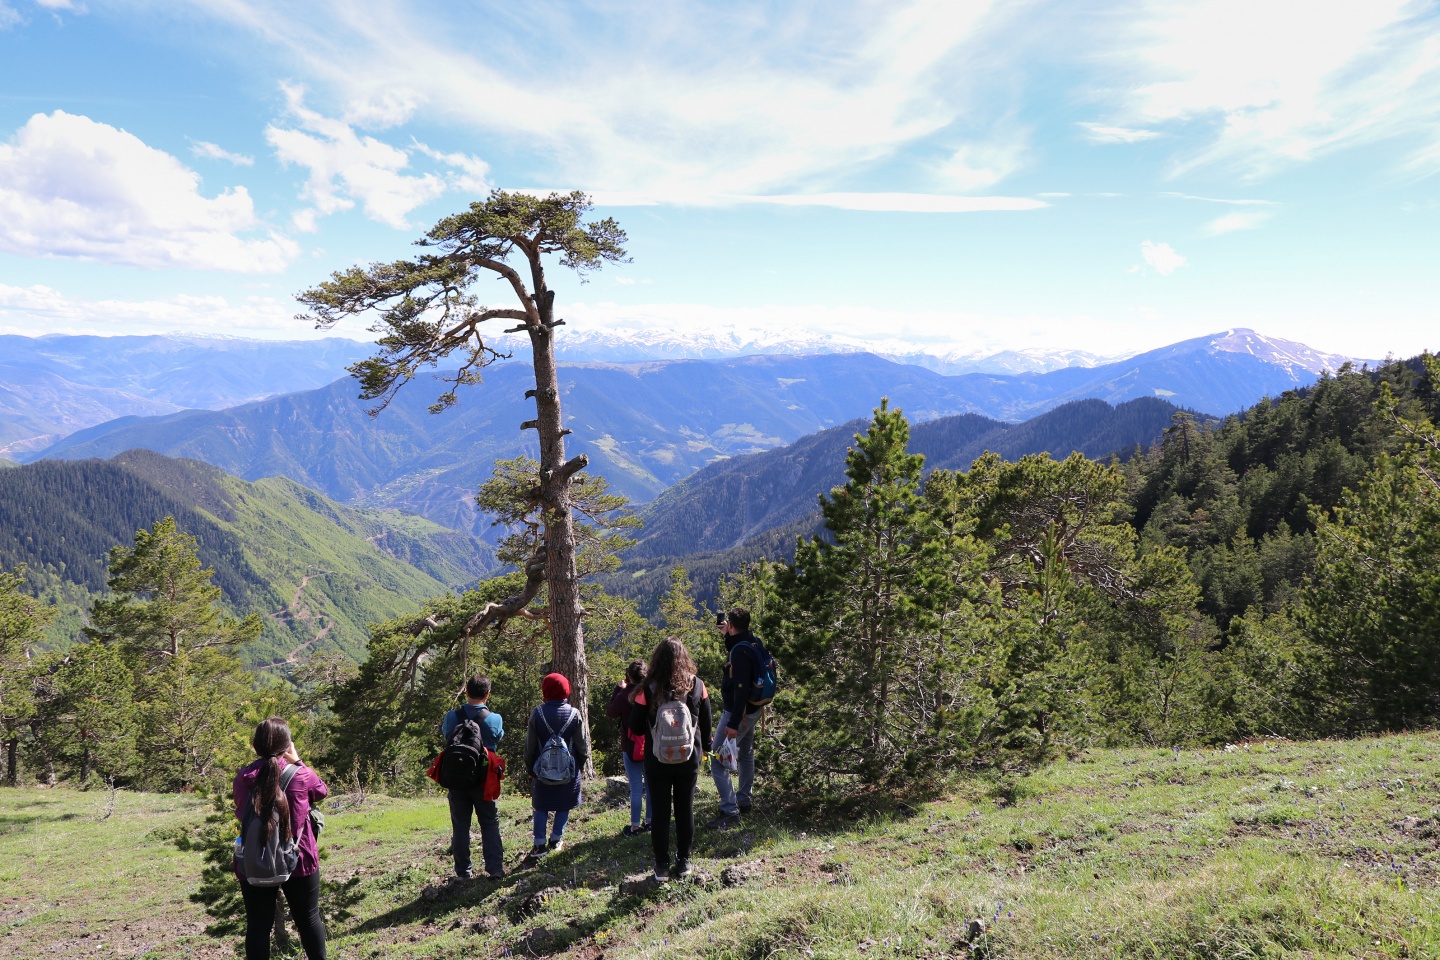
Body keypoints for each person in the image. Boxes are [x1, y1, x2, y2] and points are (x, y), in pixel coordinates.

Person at [233, 717, 329, 960]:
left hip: (255, 858)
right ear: (287, 745)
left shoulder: (244, 777)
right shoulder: (300, 775)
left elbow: (239, 810)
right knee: (308, 919)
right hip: (299, 856)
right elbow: (321, 791)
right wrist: (297, 760)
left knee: (257, 926)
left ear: (256, 745)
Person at [629, 636, 713, 881]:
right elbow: (707, 725)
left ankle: (662, 865)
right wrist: (705, 747)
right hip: (689, 758)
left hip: (657, 760)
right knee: (685, 808)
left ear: (657, 660)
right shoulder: (697, 685)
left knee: (661, 811)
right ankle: (684, 861)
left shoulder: (649, 688)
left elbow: (635, 726)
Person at [440, 674, 505, 879]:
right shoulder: (494, 719)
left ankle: (463, 872)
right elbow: (497, 738)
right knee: (489, 822)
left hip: (457, 779)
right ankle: (495, 869)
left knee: (460, 826)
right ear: (488, 694)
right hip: (484, 780)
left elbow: (446, 735)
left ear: (466, 692)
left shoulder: (452, 717)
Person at [709, 607, 764, 829]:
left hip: (737, 712)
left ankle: (729, 810)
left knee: (717, 759)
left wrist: (732, 724)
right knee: (746, 752)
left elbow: (740, 689)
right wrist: (728, 635)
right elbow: (738, 653)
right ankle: (744, 800)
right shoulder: (752, 641)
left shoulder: (740, 652)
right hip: (753, 709)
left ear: (731, 624)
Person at [523, 672, 589, 856]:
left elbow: (529, 747)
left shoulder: (537, 713)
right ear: (566, 690)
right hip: (568, 770)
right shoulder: (574, 714)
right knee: (563, 804)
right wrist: (579, 766)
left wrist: (530, 768)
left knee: (541, 806)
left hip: (542, 771)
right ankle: (556, 838)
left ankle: (539, 845)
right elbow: (582, 747)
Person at [605, 660, 651, 837]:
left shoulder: (624, 695)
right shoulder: (650, 691)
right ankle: (650, 821)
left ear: (629, 676)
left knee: (636, 787)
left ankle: (634, 826)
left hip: (630, 745)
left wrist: (618, 689)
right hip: (650, 744)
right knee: (651, 785)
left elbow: (610, 712)